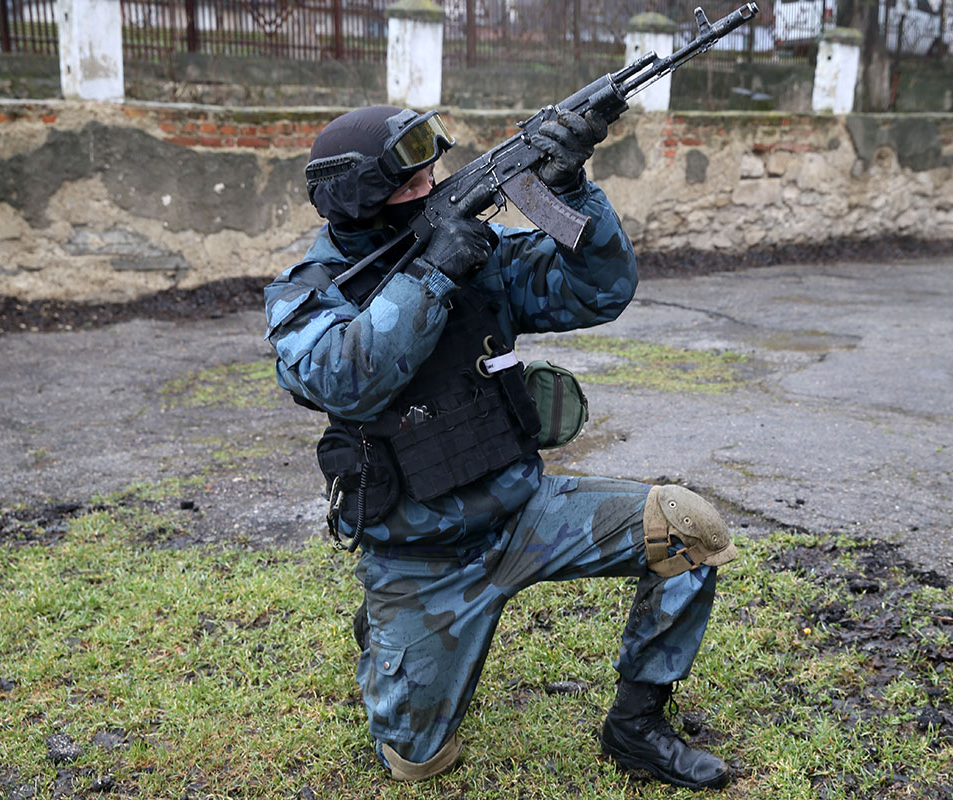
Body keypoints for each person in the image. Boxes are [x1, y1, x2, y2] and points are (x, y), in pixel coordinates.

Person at [263, 105, 738, 790]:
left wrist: (572, 191)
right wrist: (431, 275)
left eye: (430, 174)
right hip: (424, 558)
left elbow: (601, 291)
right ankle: (389, 631)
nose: (428, 191)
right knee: (416, 764)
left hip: (528, 515)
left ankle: (635, 728)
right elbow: (350, 380)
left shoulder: (477, 257)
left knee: (688, 528)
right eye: (405, 187)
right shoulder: (307, 297)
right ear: (357, 205)